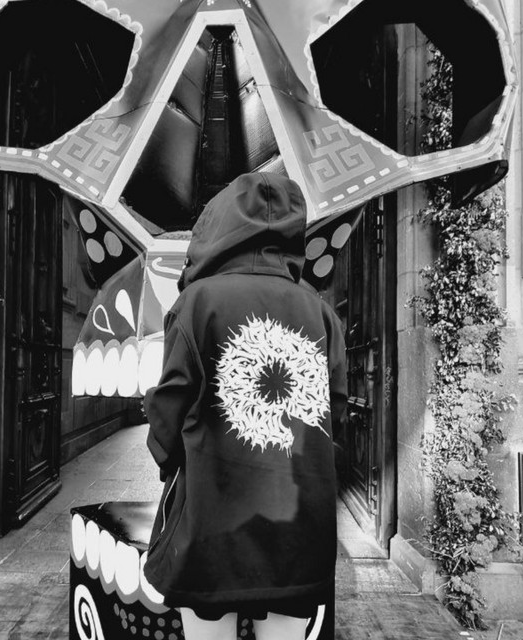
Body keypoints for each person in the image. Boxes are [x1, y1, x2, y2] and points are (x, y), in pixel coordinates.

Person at [143, 172, 347, 640]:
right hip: (297, 530)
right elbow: (333, 411)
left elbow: (170, 407)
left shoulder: (196, 303)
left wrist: (171, 460)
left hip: (210, 526)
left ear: (218, 228)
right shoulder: (320, 311)